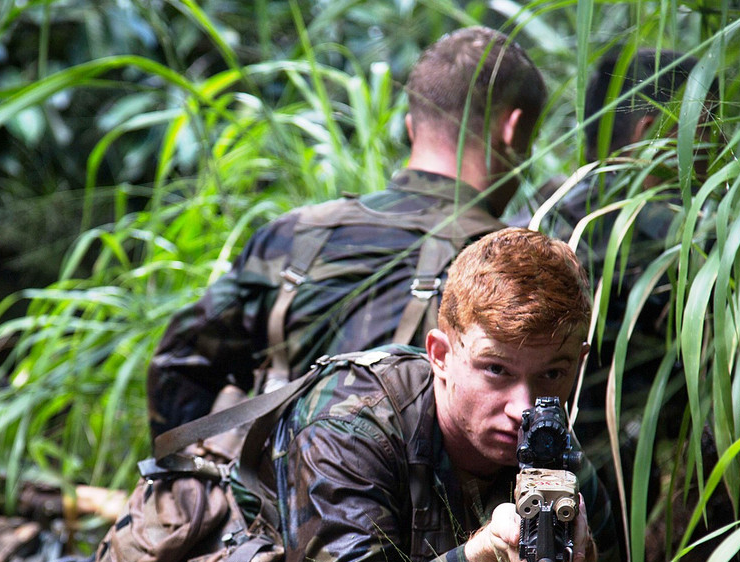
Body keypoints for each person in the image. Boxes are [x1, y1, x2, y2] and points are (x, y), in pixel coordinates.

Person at [110, 228, 631, 562]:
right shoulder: (351, 426)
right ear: (440, 355)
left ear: (579, 363)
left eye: (551, 375)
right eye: (495, 369)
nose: (523, 407)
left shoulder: (562, 476)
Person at [146, 26, 547, 438]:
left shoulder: (293, 236)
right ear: (512, 129)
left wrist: (209, 468)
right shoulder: (509, 266)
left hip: (276, 478)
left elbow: (178, 363)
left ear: (412, 126)